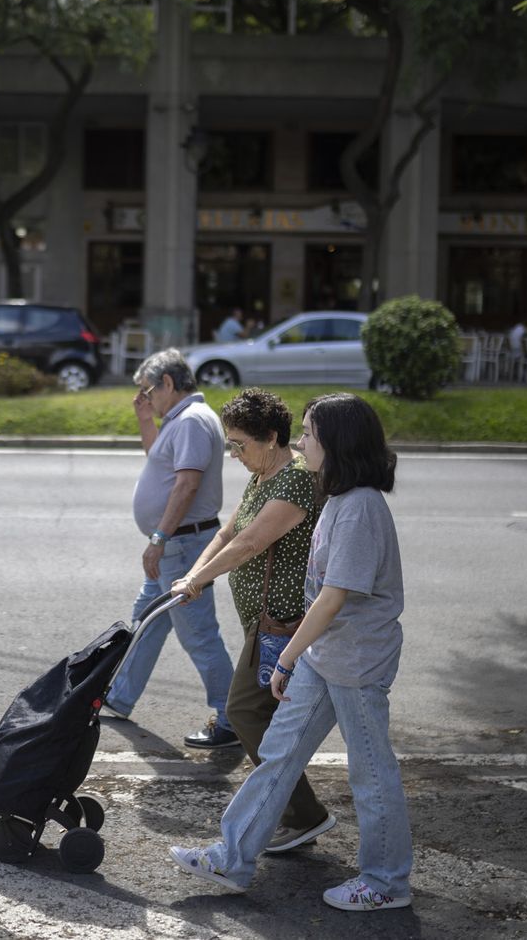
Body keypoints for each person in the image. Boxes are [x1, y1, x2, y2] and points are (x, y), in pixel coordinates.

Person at [170, 392, 412, 913]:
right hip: (326, 655)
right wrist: (301, 656)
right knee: (278, 754)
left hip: (356, 662)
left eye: (309, 435)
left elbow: (332, 598)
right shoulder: (340, 498)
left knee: (371, 773)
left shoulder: (360, 508)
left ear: (337, 444)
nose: (301, 444)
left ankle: (386, 882)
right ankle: (232, 858)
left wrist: (286, 657)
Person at [166, 388, 337, 851]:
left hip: (283, 624)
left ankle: (303, 814)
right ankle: (293, 811)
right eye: (232, 445)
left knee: (244, 710)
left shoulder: (295, 479)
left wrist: (197, 580)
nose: (234, 454)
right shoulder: (263, 474)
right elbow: (229, 532)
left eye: (240, 445)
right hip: (263, 622)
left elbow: (251, 543)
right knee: (267, 718)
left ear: (272, 437)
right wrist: (192, 575)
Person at [102, 348, 238, 750]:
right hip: (176, 544)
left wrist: (158, 538)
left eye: (149, 391)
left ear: (167, 383)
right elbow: (159, 463)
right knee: (146, 621)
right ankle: (119, 696)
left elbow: (187, 484)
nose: (146, 398)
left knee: (199, 634)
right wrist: (146, 420)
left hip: (181, 544)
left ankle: (231, 720)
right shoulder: (181, 419)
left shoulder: (192, 420)